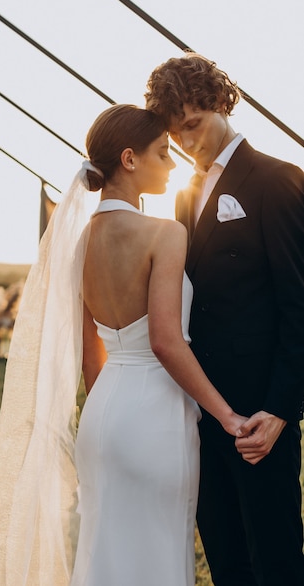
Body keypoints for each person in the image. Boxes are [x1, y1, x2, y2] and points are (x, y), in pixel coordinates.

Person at [0, 104, 245, 586]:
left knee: (106, 555)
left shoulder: (79, 240)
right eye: (163, 153)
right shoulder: (165, 233)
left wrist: (111, 407)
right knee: (159, 554)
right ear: (129, 159)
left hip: (103, 415)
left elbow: (91, 351)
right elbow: (166, 342)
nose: (171, 164)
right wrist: (226, 415)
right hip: (155, 418)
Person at [145, 53, 304, 586]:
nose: (187, 143)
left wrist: (281, 410)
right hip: (201, 412)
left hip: (261, 418)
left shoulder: (278, 180)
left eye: (193, 125)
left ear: (220, 102)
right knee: (226, 560)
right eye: (176, 134)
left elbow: (298, 306)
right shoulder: (184, 196)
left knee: (276, 560)